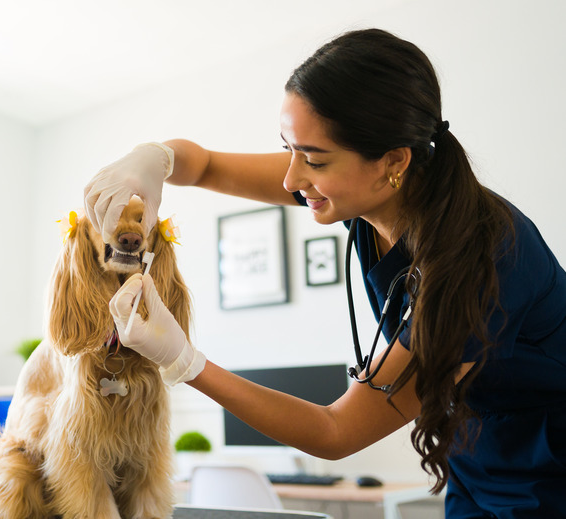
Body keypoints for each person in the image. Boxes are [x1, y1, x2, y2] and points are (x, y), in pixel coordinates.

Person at [83, 28, 566, 518]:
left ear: (393, 161)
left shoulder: (484, 262)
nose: (292, 178)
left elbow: (336, 430)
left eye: (313, 158)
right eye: (290, 148)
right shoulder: (369, 189)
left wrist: (184, 361)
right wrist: (152, 161)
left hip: (550, 466)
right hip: (473, 457)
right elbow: (204, 166)